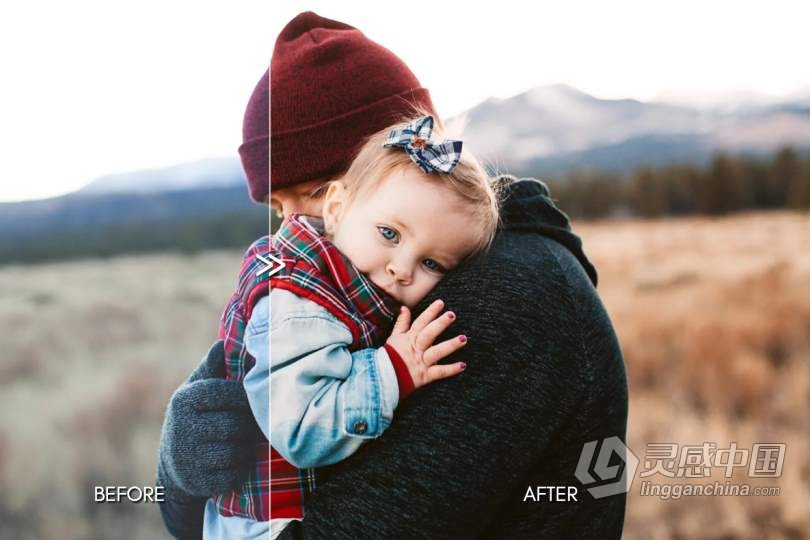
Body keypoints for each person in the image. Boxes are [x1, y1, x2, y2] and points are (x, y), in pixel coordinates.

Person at [157, 11, 628, 540]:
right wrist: (180, 470)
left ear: (406, 158)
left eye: (313, 194)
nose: (294, 230)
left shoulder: (508, 297)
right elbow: (186, 513)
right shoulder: (332, 285)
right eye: (277, 207)